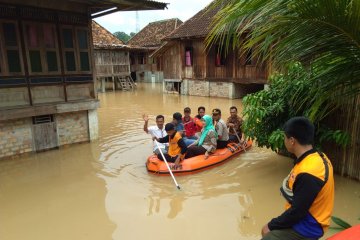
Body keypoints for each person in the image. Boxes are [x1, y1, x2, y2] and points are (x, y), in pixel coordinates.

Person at [261, 117, 334, 240]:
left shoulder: (308, 172)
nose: (284, 140)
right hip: (311, 216)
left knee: (267, 235)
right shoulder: (318, 156)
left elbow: (297, 212)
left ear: (292, 141)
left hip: (310, 226)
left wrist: (270, 225)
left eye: (285, 137)